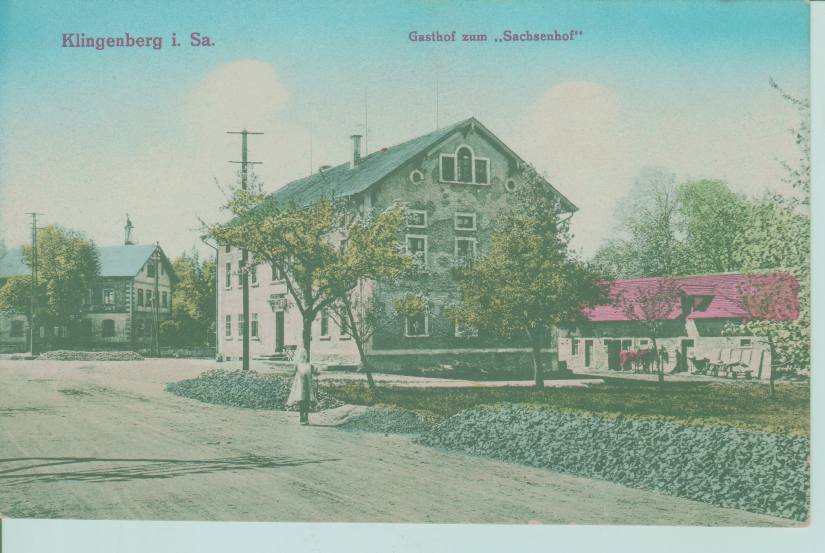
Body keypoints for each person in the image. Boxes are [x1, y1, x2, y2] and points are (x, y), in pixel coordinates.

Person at [286, 348, 316, 425]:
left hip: (301, 387)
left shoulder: (302, 365)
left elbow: (293, 374)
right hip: (305, 386)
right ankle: (304, 418)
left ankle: (303, 418)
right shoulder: (308, 365)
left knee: (303, 402)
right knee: (306, 402)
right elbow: (314, 374)